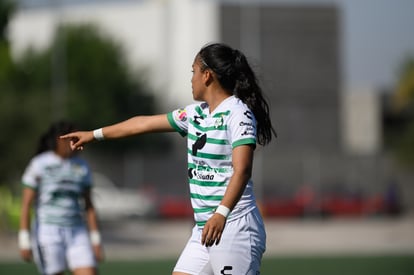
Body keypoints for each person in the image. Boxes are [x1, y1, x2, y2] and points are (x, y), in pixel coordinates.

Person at [61, 42, 276, 275]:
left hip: (234, 225)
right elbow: (141, 124)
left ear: (207, 75)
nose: (191, 78)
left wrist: (221, 214)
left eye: (193, 72)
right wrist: (93, 135)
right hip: (205, 228)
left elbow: (242, 170)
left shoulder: (238, 113)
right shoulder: (194, 114)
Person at [19, 121, 104, 275]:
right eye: (74, 138)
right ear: (60, 139)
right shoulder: (40, 164)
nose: (79, 142)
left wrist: (96, 240)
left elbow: (89, 205)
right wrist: (24, 240)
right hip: (47, 232)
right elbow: (26, 204)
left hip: (77, 230)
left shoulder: (82, 166)